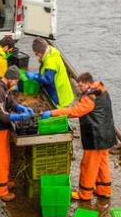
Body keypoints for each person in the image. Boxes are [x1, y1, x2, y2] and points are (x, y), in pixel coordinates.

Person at [41, 72, 116, 201]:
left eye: (80, 86)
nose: (78, 88)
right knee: (102, 162)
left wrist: (53, 113)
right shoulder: (101, 89)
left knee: (88, 165)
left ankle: (84, 194)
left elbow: (75, 111)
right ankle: (104, 190)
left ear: (88, 84)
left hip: (95, 137)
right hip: (106, 133)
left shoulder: (90, 98)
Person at [0, 65, 34, 202]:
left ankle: (4, 182)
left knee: (5, 156)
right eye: (16, 81)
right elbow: (0, 114)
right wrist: (17, 117)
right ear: (11, 79)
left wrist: (20, 107)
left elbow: (10, 102)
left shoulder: (4, 88)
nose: (16, 84)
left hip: (2, 129)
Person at [25, 37, 74, 108]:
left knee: (59, 114)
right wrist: (38, 75)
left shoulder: (50, 61)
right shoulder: (51, 52)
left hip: (60, 97)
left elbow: (47, 80)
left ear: (40, 52)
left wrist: (34, 76)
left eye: (36, 54)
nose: (37, 56)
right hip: (63, 92)